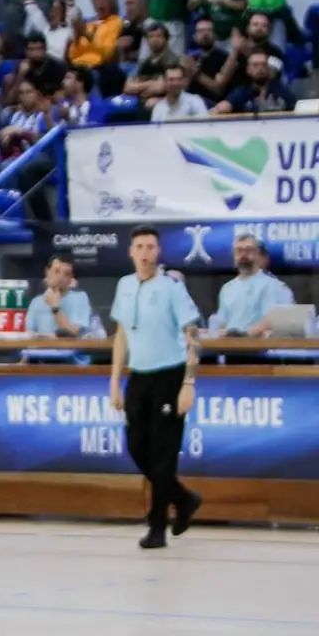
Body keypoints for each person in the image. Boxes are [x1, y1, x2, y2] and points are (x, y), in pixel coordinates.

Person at [110, 226, 202, 549]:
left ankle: (158, 525)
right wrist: (115, 381)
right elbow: (121, 335)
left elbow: (193, 335)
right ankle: (184, 498)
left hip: (169, 374)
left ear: (158, 252)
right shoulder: (124, 286)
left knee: (164, 454)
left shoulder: (172, 288)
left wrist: (188, 383)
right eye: (140, 246)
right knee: (136, 446)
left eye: (151, 246)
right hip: (139, 376)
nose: (145, 252)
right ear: (131, 252)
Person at [213, 234, 294, 335]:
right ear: (233, 255)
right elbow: (221, 323)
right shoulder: (227, 289)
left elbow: (270, 321)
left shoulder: (271, 285)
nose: (243, 255)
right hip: (228, 345)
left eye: (248, 250)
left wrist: (244, 335)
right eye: (239, 251)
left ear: (257, 254)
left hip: (259, 347)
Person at [24, 257, 99, 338]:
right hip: (41, 349)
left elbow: (73, 334)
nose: (60, 277)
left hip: (71, 349)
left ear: (71, 278)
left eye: (66, 274)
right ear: (47, 272)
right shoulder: (36, 302)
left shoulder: (80, 298)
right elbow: (28, 334)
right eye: (56, 271)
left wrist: (55, 308)